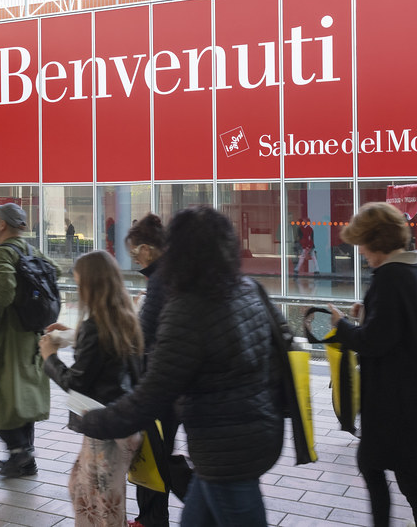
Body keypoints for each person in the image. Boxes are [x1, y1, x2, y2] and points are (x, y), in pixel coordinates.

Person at [74, 206, 284, 527]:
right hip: (259, 432)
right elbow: (282, 344)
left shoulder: (187, 307)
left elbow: (154, 393)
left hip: (224, 450)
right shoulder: (248, 288)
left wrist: (97, 421)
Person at [327, 202, 417, 527]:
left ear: (376, 241)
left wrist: (341, 327)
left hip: (392, 400)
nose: (361, 251)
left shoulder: (390, 276)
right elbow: (407, 327)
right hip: (410, 395)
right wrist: (367, 314)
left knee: (396, 474)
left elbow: (375, 342)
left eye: (362, 243)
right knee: (397, 473)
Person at [40, 250, 144, 526]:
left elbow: (76, 382)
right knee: (84, 489)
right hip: (123, 422)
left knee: (101, 504)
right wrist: (72, 335)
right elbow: (105, 353)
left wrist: (50, 356)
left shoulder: (95, 326)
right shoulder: (125, 317)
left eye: (79, 284)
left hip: (104, 426)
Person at [0, 202, 56, 477]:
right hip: (31, 335)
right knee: (23, 399)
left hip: (7, 337)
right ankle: (25, 456)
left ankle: (19, 452)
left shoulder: (3, 253)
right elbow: (54, 273)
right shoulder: (32, 250)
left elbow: (2, 293)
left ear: (1, 225)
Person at [126, 213, 191, 527]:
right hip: (174, 385)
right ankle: (154, 516)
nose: (133, 259)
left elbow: (144, 338)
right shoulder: (173, 273)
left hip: (160, 386)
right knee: (158, 453)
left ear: (147, 249)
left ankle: (153, 518)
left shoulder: (160, 280)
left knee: (153, 454)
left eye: (134, 252)